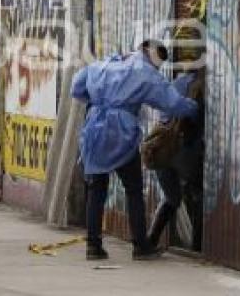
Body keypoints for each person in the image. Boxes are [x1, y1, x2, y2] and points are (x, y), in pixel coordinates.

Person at [71, 40, 198, 261]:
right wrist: (194, 108)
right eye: (158, 62)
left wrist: (101, 101)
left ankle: (93, 246)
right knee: (133, 189)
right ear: (151, 53)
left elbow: (76, 88)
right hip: (121, 132)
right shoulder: (146, 72)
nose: (156, 67)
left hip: (95, 129)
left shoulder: (103, 64)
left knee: (97, 189)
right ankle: (141, 245)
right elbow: (172, 103)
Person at [148, 68, 206, 250]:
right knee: (198, 194)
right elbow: (196, 117)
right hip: (183, 150)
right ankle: (197, 245)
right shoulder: (201, 86)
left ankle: (151, 241)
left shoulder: (173, 84)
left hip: (161, 148)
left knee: (171, 198)